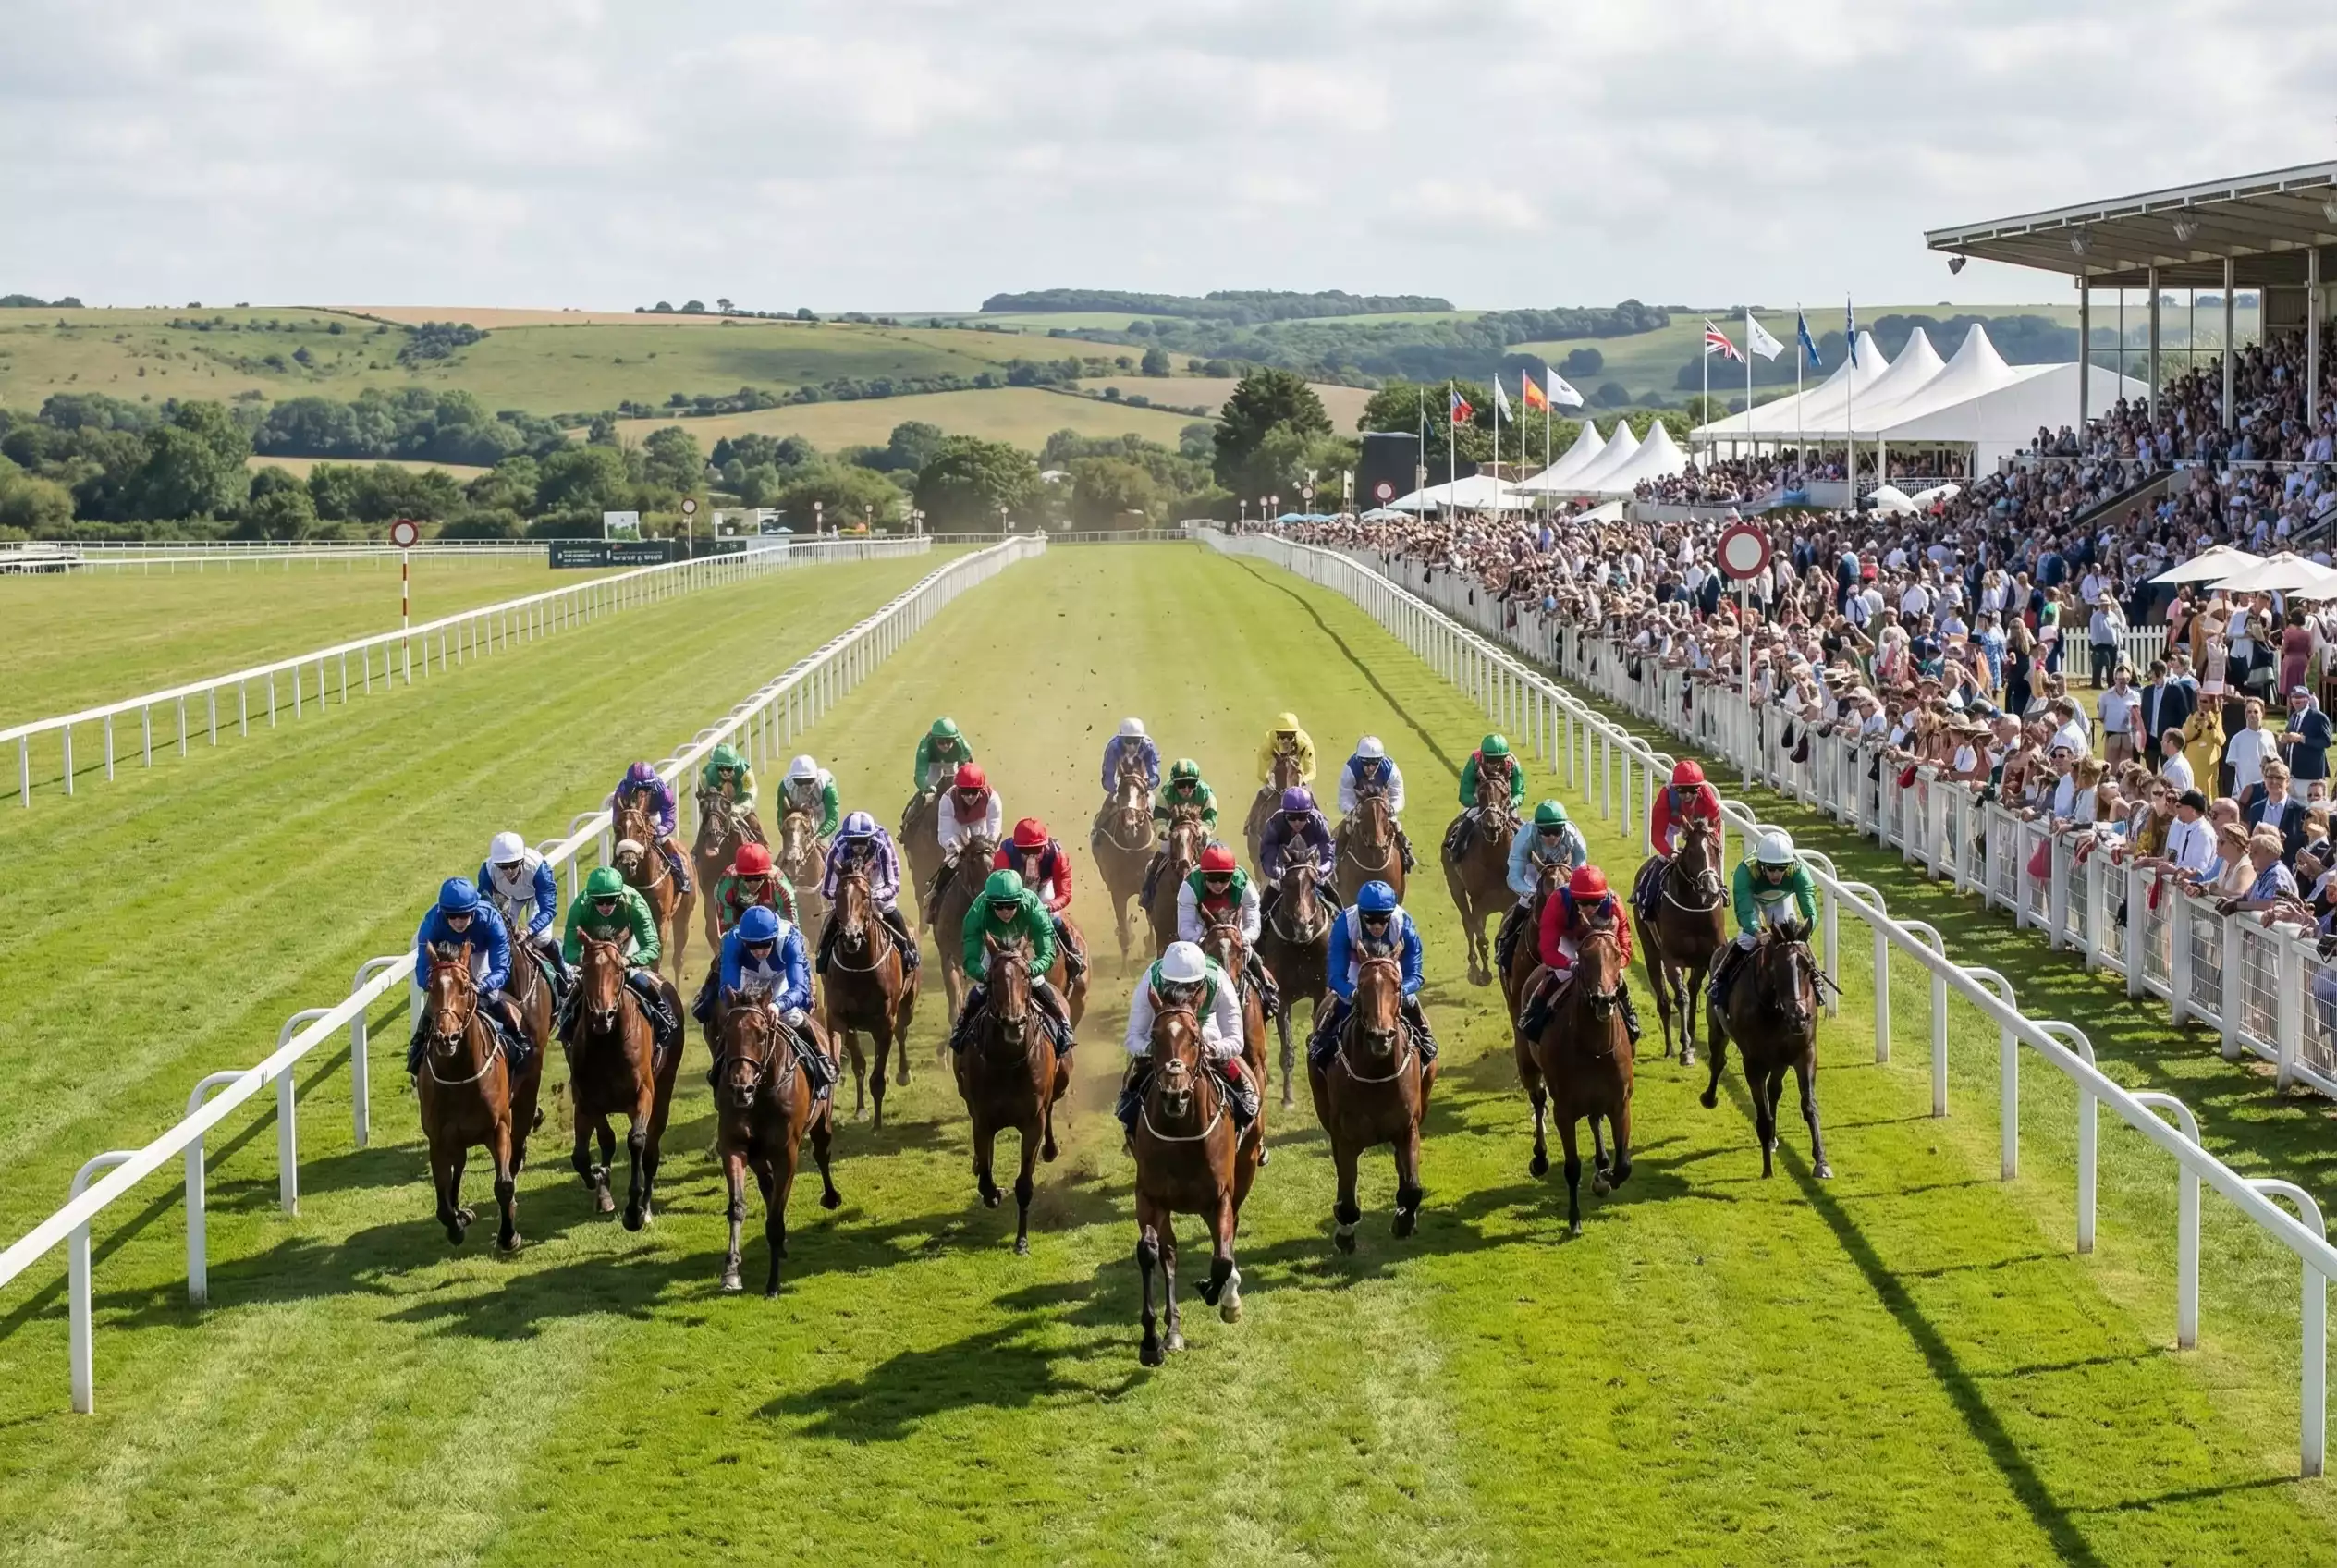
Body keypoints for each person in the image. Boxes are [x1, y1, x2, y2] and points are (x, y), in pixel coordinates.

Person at [1115, 940, 1254, 1134]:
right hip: (1163, 1020)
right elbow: (1133, 1037)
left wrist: (1210, 1049)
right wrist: (1153, 1049)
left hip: (1205, 1021)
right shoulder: (1150, 980)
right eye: (1173, 986)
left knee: (1215, 1047)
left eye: (1190, 987)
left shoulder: (1219, 982)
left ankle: (1242, 1093)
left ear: (1202, 981)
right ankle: (1130, 1106)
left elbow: (1235, 1039)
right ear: (1164, 978)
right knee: (1140, 1061)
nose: (1182, 995)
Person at [695, 903, 832, 1097]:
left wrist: (778, 1005)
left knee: (791, 1016)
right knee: (735, 1020)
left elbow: (799, 989)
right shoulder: (733, 940)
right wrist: (733, 999)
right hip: (748, 974)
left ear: (774, 937)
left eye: (766, 944)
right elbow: (728, 984)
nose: (759, 951)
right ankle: (719, 1066)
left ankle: (819, 1062)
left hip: (781, 975)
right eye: (752, 946)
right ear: (744, 940)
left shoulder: (790, 939)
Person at [1308, 880, 1438, 1070]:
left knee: (1409, 1000)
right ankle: (1324, 1038)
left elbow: (1415, 975)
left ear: (1391, 914)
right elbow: (1335, 976)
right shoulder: (1345, 923)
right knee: (1343, 1001)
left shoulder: (1404, 923)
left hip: (1391, 968)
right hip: (1357, 968)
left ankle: (1424, 1037)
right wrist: (1352, 993)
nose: (1377, 926)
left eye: (1383, 920)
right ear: (1361, 914)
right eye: (1370, 920)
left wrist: (1401, 991)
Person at [409, 877, 527, 1078]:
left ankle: (517, 1038)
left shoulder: (491, 920)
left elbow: (501, 968)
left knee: (490, 998)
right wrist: (430, 984)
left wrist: (482, 986)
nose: (458, 922)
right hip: (447, 958)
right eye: (452, 916)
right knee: (439, 1000)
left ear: (474, 910)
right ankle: (417, 1045)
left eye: (464, 915)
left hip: (480, 953)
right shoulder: (431, 922)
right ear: (443, 913)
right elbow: (422, 966)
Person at [949, 869, 1075, 1057]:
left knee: (1038, 981)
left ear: (1020, 900)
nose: (1005, 912)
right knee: (982, 987)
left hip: (1022, 948)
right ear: (989, 903)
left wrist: (1031, 968)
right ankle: (962, 1026)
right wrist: (984, 974)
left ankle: (1063, 1023)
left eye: (1011, 906)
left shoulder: (1033, 906)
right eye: (999, 907)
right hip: (993, 950)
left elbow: (1047, 952)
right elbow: (970, 958)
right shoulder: (977, 911)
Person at [558, 864, 680, 1054]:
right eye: (600, 902)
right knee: (577, 991)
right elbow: (569, 949)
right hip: (594, 954)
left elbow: (651, 946)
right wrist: (582, 959)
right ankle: (566, 1025)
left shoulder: (634, 902)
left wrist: (629, 961)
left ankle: (664, 1016)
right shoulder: (580, 906)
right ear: (590, 898)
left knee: (637, 978)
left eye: (611, 900)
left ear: (620, 895)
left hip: (625, 950)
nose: (605, 906)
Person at [1515, 864, 1641, 1041]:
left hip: (1600, 943)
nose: (1589, 908)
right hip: (1570, 940)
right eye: (1582, 902)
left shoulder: (1613, 902)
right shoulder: (1558, 900)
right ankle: (1533, 1013)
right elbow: (1547, 948)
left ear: (1603, 897)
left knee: (1617, 976)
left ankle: (1629, 1014)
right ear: (1573, 897)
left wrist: (1617, 965)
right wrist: (1569, 964)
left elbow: (1625, 939)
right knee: (1561, 973)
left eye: (1595, 902)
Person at [1707, 829, 1821, 1013]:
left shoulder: (1799, 871)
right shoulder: (1745, 872)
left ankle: (1816, 979)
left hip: (1781, 898)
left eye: (1781, 868)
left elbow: (1809, 906)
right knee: (1747, 940)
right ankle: (1720, 980)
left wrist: (1806, 928)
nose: (1776, 874)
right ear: (1761, 865)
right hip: (1753, 898)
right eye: (1771, 868)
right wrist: (1757, 932)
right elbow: (1745, 911)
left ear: (1789, 865)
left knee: (1796, 942)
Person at [1175, 841, 1279, 1013]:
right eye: (1212, 878)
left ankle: (1267, 992)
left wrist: (1244, 938)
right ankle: (1176, 999)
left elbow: (1252, 923)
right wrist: (1202, 940)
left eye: (1224, 878)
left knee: (1252, 956)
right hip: (1202, 930)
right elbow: (1185, 928)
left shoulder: (1243, 883)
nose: (1218, 884)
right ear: (1203, 875)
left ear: (1232, 874)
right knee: (1181, 959)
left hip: (1235, 929)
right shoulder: (1190, 886)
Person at [816, 811, 919, 974]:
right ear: (847, 840)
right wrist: (846, 902)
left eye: (863, 841)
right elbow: (828, 889)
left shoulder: (882, 844)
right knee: (836, 916)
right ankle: (823, 954)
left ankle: (907, 950)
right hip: (847, 889)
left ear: (871, 838)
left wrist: (872, 897)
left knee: (889, 909)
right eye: (854, 842)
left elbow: (893, 885)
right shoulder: (837, 848)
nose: (859, 846)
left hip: (877, 886)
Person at [1498, 802, 1590, 974]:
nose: (1552, 837)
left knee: (1584, 908)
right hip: (1534, 872)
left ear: (1563, 828)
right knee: (1525, 902)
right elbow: (1514, 876)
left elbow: (1581, 871)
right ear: (1537, 829)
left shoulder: (1574, 836)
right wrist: (1532, 894)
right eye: (1546, 832)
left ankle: (1593, 947)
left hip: (1565, 872)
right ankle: (1507, 946)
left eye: (1556, 831)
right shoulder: (1525, 836)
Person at [994, 817, 1085, 987]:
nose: (1031, 855)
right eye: (1025, 850)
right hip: (1013, 889)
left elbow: (1064, 894)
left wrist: (1048, 907)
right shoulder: (1004, 855)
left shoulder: (1057, 855)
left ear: (1045, 845)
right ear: (1016, 847)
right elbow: (999, 888)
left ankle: (1072, 954)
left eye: (1036, 850)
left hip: (1043, 886)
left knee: (1053, 916)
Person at [1633, 758, 1724, 924]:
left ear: (1700, 787)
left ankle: (1720, 890)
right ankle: (1647, 899)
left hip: (1698, 825)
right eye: (1682, 790)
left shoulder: (1706, 793)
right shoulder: (1666, 795)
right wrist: (1670, 853)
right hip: (1672, 825)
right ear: (1675, 788)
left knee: (1709, 857)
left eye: (1692, 790)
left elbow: (1715, 819)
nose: (1687, 795)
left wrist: (1712, 843)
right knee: (1664, 860)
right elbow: (1656, 835)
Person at [478, 829, 569, 992]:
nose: (509, 871)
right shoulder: (487, 870)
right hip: (507, 896)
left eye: (513, 865)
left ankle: (563, 974)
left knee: (541, 938)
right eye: (503, 866)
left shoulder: (539, 868)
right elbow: (485, 906)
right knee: (499, 935)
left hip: (535, 894)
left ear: (522, 860)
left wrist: (529, 930)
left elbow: (548, 909)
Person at [1142, 757, 1221, 903]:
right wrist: (1163, 830)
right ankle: (1148, 891)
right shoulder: (1165, 794)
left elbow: (1210, 818)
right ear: (1174, 783)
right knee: (1162, 851)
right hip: (1174, 831)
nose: (1186, 789)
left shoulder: (1206, 794)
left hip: (1197, 832)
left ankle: (1224, 894)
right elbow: (1159, 818)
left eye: (1191, 784)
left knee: (1217, 855)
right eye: (1181, 784)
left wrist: (1203, 829)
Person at [606, 760, 691, 895]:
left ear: (652, 784)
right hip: (631, 816)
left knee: (665, 842)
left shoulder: (662, 790)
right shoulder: (622, 790)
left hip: (653, 816)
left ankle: (680, 875)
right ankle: (611, 878)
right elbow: (617, 814)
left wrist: (661, 829)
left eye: (646, 788)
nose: (641, 792)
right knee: (619, 845)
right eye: (636, 788)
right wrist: (621, 829)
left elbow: (669, 811)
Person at [1335, 734, 1415, 870]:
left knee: (1396, 826)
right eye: (1366, 763)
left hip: (1384, 806)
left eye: (1375, 763)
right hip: (1358, 805)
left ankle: (1406, 853)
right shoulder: (1350, 769)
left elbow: (1398, 795)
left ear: (1380, 760)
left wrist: (1392, 809)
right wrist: (1353, 810)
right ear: (1360, 760)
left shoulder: (1390, 769)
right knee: (1347, 827)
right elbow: (1344, 797)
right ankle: (1336, 857)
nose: (1371, 767)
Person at [1258, 786, 1337, 917]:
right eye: (1291, 817)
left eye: (1302, 817)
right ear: (1284, 814)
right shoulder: (1275, 823)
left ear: (1309, 814)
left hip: (1313, 866)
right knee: (1265, 903)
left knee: (1331, 893)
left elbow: (1327, 846)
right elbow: (1268, 849)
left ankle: (1341, 917)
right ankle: (1261, 923)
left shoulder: (1317, 821)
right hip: (1284, 868)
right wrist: (1274, 870)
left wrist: (1324, 868)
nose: (1297, 822)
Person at [709, 839, 798, 936]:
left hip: (772, 918)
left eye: (758, 878)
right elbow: (726, 923)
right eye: (748, 878)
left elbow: (790, 918)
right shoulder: (727, 883)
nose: (753, 883)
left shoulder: (778, 882)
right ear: (739, 876)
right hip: (738, 918)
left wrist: (791, 936)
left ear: (767, 875)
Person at [936, 762, 1004, 863]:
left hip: (979, 821)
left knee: (990, 857)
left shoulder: (992, 798)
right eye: (965, 791)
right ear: (958, 789)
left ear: (981, 789)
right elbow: (945, 832)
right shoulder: (947, 799)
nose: (970, 796)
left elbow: (995, 825)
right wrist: (955, 847)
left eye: (974, 791)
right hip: (958, 824)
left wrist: (989, 844)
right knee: (952, 859)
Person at [2281, 686, 2333, 804]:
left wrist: (2302, 739)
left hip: (2310, 776)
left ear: (2308, 699)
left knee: (2310, 809)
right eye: (2293, 697)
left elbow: (2326, 742)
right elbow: (2289, 736)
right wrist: (2285, 739)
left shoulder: (2319, 717)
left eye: (2300, 697)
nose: (2296, 700)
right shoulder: (2293, 717)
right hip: (2292, 774)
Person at [776, 753, 840, 837]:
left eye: (809, 781)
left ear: (816, 777)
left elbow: (832, 817)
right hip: (798, 814)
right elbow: (781, 816)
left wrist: (819, 835)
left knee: (826, 842)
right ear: (793, 779)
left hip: (822, 812)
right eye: (800, 782)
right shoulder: (785, 787)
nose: (805, 787)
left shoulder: (827, 787)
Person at [912, 717, 975, 794]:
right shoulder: (925, 747)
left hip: (951, 761)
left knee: (955, 786)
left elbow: (967, 767)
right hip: (933, 762)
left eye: (949, 741)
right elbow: (920, 773)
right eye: (941, 742)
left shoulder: (963, 748)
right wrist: (926, 787)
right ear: (934, 739)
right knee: (930, 786)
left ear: (954, 739)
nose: (945, 745)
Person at [1100, 717, 1161, 794]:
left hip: (1143, 777)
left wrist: (1147, 784)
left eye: (1136, 741)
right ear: (1122, 739)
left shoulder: (1148, 746)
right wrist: (1114, 790)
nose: (1132, 746)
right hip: (1121, 780)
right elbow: (1108, 774)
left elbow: (1154, 774)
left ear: (1142, 739)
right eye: (1128, 741)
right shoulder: (1114, 747)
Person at [698, 741, 756, 816]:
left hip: (741, 804)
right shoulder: (707, 774)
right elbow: (704, 799)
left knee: (752, 820)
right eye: (721, 768)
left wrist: (739, 808)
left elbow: (751, 792)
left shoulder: (746, 772)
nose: (725, 772)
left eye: (729, 769)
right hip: (717, 808)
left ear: (735, 766)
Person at [1257, 711, 1316, 784]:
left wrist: (1303, 781)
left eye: (1289, 736)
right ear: (1277, 734)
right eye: (1282, 736)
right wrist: (1267, 780)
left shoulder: (1305, 743)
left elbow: (1311, 772)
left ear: (1295, 734)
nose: (1285, 741)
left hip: (1298, 769)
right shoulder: (1269, 740)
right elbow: (1263, 764)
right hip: (1276, 764)